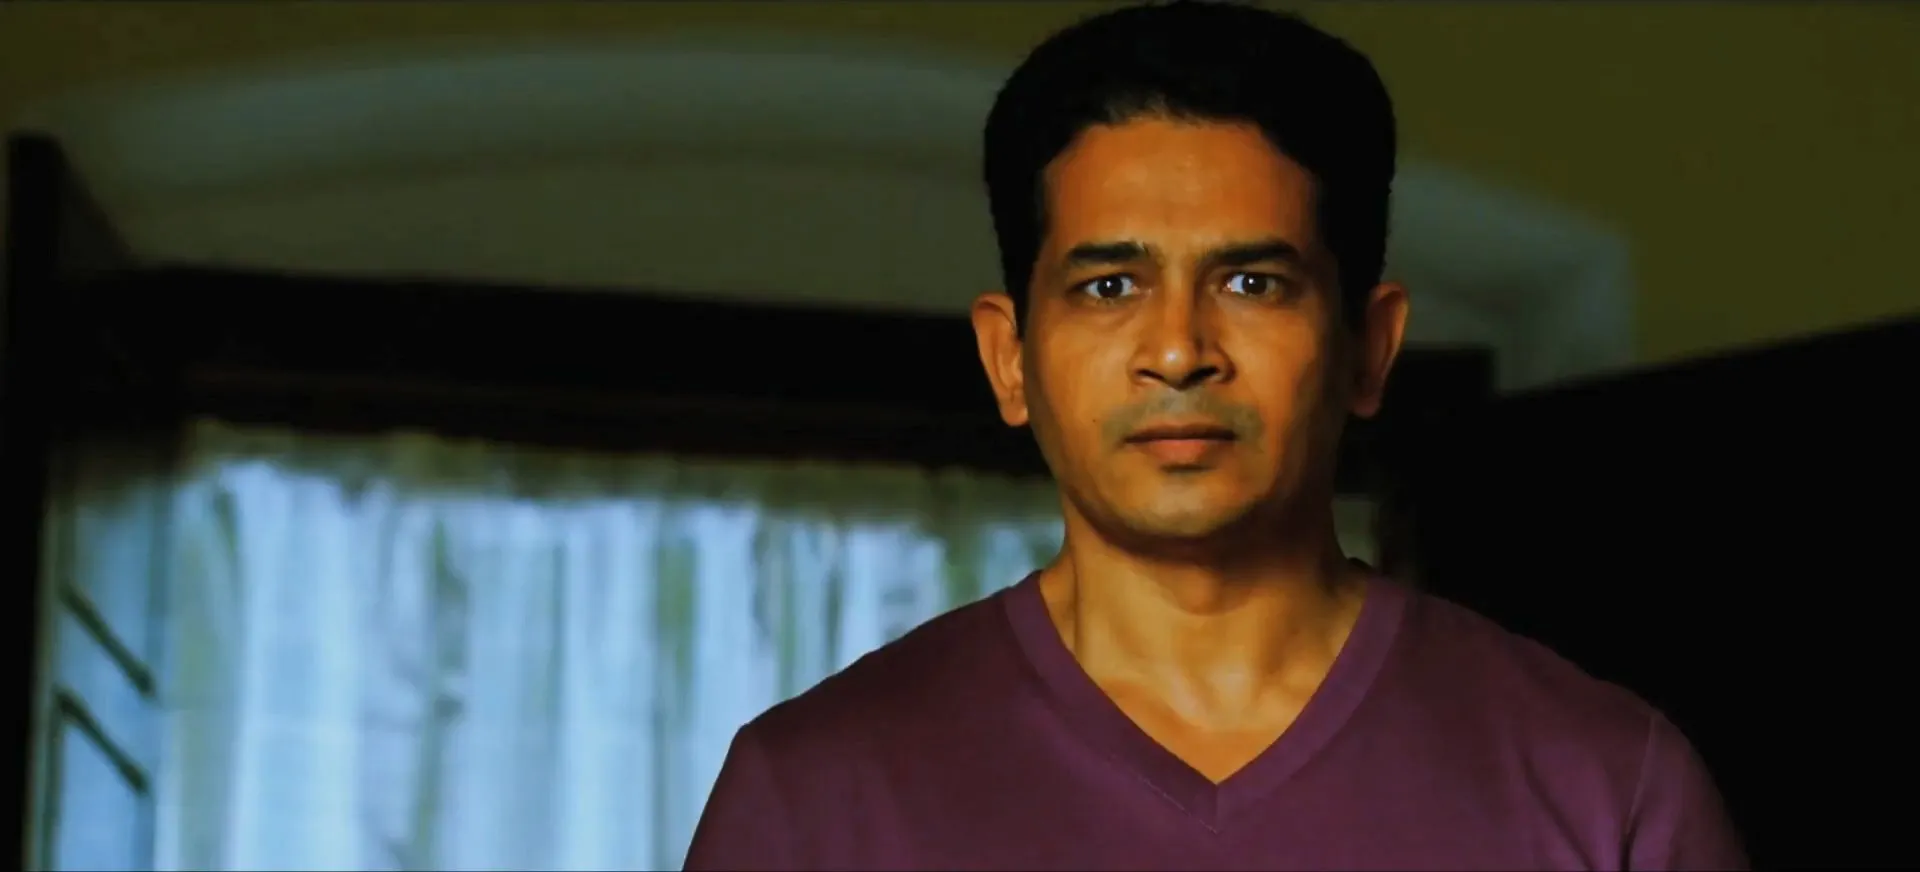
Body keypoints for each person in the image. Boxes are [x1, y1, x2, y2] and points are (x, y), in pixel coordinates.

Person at [684, 2, 1747, 869]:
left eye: (1252, 283)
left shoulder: (1607, 786)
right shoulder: (813, 798)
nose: (1179, 349)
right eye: (1110, 285)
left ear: (1369, 348)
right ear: (1009, 358)